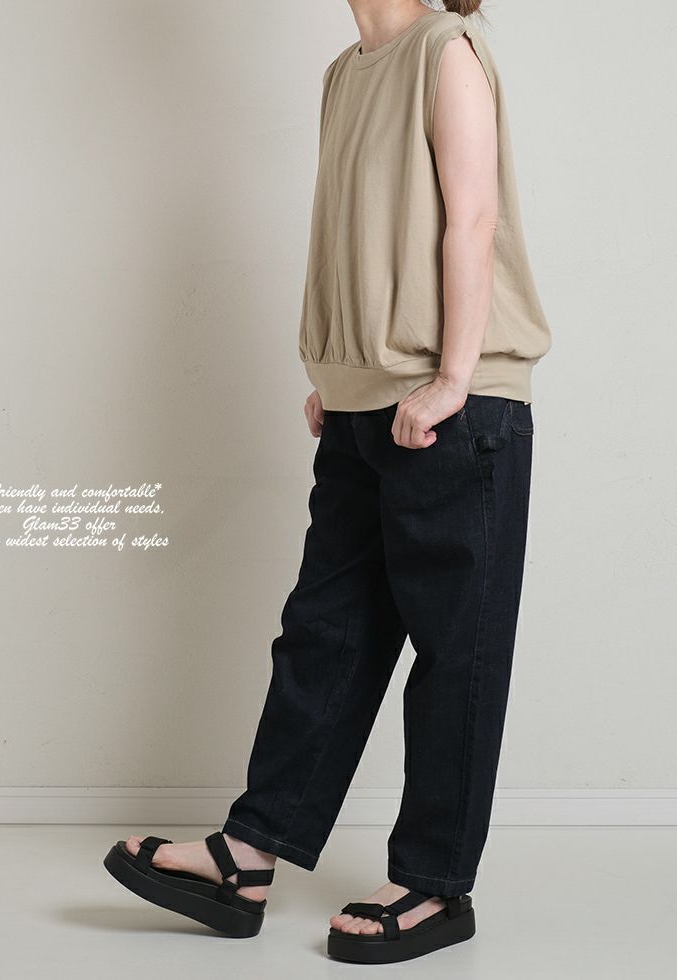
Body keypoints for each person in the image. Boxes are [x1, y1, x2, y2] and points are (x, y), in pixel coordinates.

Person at [104, 0, 551, 964]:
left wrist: (450, 378)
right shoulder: (347, 72)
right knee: (326, 630)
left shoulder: (446, 51)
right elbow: (362, 232)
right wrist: (341, 373)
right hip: (365, 403)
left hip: (455, 404)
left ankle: (436, 884)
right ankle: (249, 854)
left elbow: (472, 218)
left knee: (456, 652)